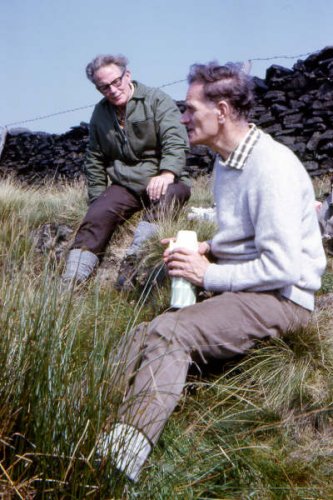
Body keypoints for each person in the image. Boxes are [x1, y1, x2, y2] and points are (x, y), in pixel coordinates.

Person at [96, 62, 326, 481]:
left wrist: (207, 275)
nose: (182, 118)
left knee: (172, 332)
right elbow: (246, 234)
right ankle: (92, 426)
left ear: (220, 111)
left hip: (284, 299)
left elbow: (284, 266)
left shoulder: (270, 166)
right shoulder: (227, 161)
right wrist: (205, 246)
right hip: (252, 289)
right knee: (144, 332)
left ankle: (116, 466)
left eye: (189, 109)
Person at [62, 54, 191, 284]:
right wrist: (97, 198)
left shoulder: (156, 100)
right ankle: (72, 283)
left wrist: (167, 173)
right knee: (97, 215)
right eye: (104, 87)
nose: (112, 90)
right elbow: (94, 158)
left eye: (116, 81)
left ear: (127, 75)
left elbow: (176, 140)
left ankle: (132, 271)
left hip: (163, 178)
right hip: (124, 185)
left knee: (169, 197)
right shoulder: (100, 114)